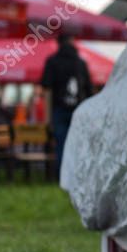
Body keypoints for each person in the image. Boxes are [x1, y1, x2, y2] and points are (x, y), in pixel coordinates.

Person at [40, 34, 92, 171]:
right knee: (77, 144)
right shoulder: (81, 63)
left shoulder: (52, 61)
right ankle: (77, 174)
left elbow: (47, 90)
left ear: (58, 43)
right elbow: (89, 91)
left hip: (59, 109)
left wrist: (47, 117)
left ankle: (62, 176)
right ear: (72, 41)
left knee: (61, 144)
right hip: (79, 110)